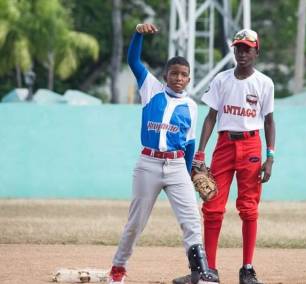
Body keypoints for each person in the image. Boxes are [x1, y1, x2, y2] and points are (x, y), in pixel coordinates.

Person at [108, 23, 219, 284]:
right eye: (174, 73)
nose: (179, 78)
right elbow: (133, 60)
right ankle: (118, 268)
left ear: (189, 79)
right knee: (136, 223)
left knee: (191, 219)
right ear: (166, 75)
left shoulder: (191, 107)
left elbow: (189, 143)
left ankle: (200, 272)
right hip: (148, 163)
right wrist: (137, 33)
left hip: (177, 166)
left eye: (184, 75)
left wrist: (192, 171)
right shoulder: (151, 89)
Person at [173, 28, 275, 284]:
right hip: (224, 144)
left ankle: (247, 269)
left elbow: (270, 121)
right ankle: (210, 269)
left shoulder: (264, 83)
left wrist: (270, 156)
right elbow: (211, 117)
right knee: (212, 208)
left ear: (256, 52)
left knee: (249, 209)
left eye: (247, 48)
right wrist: (200, 153)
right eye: (238, 48)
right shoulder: (221, 79)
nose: (242, 53)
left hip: (252, 146)